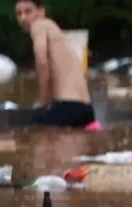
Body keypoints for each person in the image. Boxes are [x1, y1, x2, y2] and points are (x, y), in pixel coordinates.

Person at [15, 0, 95, 128]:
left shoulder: (39, 25)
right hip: (86, 109)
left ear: (41, 12)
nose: (23, 17)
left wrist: (42, 101)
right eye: (18, 14)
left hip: (68, 106)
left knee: (30, 134)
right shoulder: (57, 33)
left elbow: (42, 62)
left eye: (28, 11)